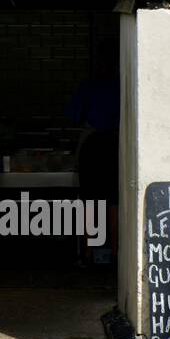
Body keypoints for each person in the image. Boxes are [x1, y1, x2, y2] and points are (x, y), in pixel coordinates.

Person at [69, 41, 120, 262]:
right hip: (118, 143)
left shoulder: (88, 86)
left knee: (90, 200)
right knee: (115, 201)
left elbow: (73, 115)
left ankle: (89, 252)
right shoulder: (123, 84)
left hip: (93, 144)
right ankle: (118, 253)